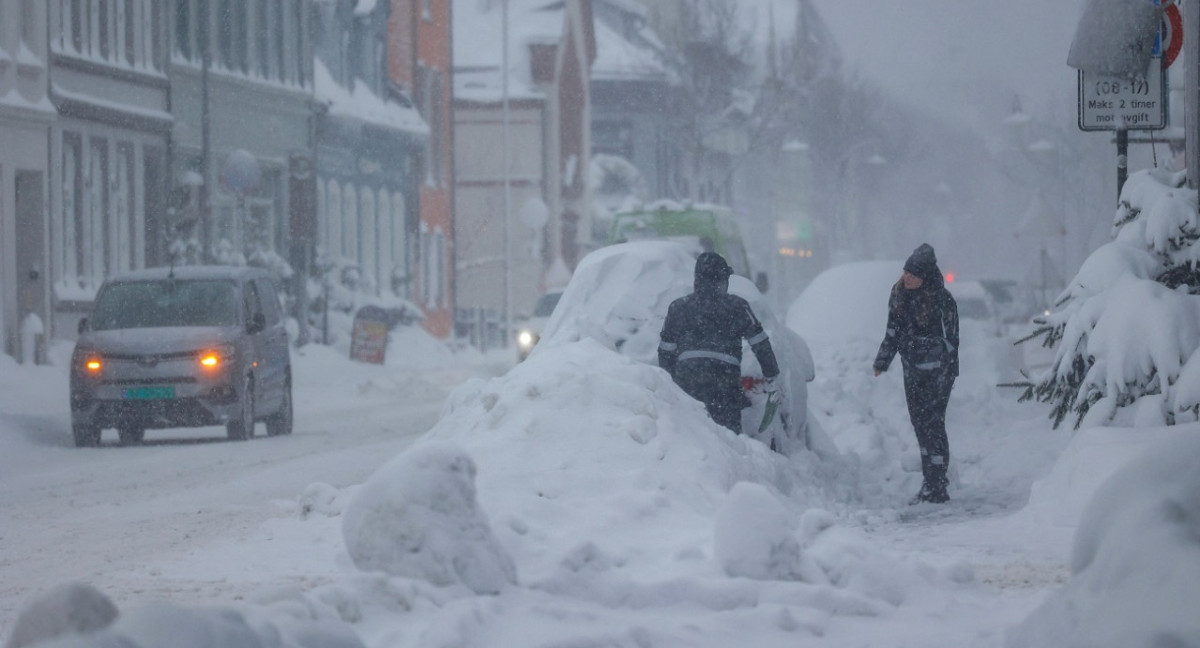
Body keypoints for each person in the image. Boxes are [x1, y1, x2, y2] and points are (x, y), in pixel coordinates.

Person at [873, 243, 959, 504]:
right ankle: (930, 480)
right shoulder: (898, 294)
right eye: (905, 272)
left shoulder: (943, 300)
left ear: (925, 277)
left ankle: (937, 485)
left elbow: (953, 340)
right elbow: (892, 331)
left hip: (938, 373)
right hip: (912, 370)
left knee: (933, 424)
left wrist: (949, 369)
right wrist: (882, 361)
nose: (907, 277)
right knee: (919, 424)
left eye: (913, 274)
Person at [658, 252, 780, 434]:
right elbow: (760, 343)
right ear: (722, 279)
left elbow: (665, 351)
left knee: (690, 434)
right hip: (724, 379)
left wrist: (670, 382)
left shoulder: (679, 307)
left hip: (688, 378)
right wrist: (771, 375)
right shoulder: (738, 306)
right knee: (728, 438)